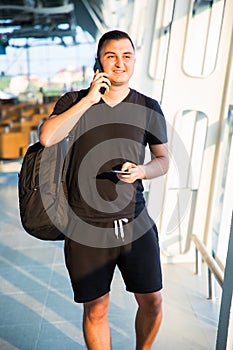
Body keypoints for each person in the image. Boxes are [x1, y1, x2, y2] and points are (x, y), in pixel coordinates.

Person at [39, 30, 169, 350]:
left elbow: (163, 160)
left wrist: (142, 171)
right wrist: (89, 100)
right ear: (99, 61)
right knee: (96, 308)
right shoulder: (75, 101)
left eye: (126, 56)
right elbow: (47, 137)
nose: (119, 63)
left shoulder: (148, 106)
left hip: (134, 221)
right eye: (111, 56)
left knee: (152, 301)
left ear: (134, 61)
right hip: (85, 225)